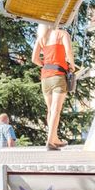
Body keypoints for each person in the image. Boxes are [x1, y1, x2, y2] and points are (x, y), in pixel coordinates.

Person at [31, 23, 76, 151]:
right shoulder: (62, 34)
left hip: (45, 77)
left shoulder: (41, 38)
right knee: (56, 110)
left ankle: (54, 138)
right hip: (58, 75)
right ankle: (50, 141)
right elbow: (69, 52)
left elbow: (34, 59)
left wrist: (45, 65)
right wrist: (72, 65)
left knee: (50, 110)